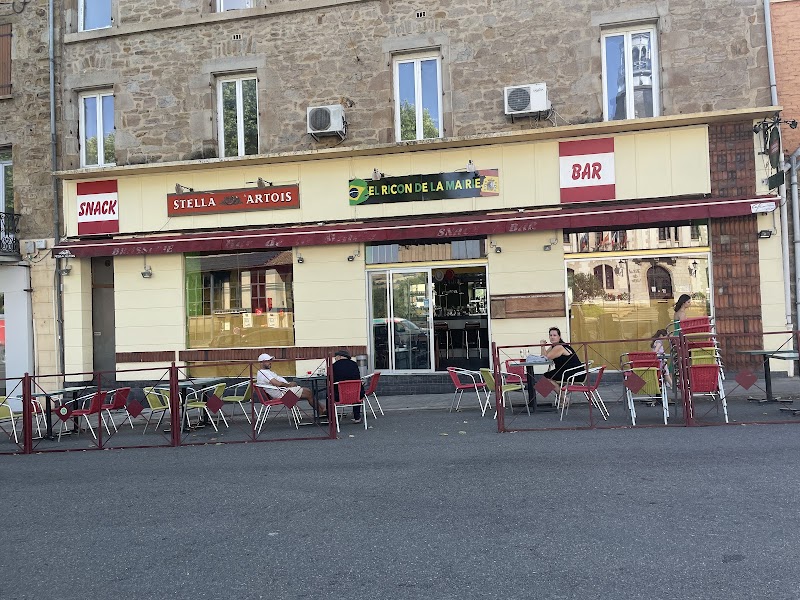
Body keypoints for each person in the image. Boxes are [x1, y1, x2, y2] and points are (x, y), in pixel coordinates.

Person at [255, 353, 322, 415]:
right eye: (268, 361)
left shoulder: (265, 372)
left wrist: (289, 384)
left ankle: (323, 409)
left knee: (307, 392)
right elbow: (276, 383)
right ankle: (322, 411)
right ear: (262, 362)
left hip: (283, 391)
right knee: (308, 392)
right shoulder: (263, 373)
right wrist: (289, 385)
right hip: (283, 395)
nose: (270, 363)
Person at [331, 349, 364, 424]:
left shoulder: (334, 366)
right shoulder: (354, 364)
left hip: (339, 396)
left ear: (339, 357)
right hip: (355, 395)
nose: (335, 359)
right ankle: (357, 417)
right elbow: (357, 377)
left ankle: (331, 418)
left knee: (329, 394)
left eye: (335, 357)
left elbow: (330, 381)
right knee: (358, 390)